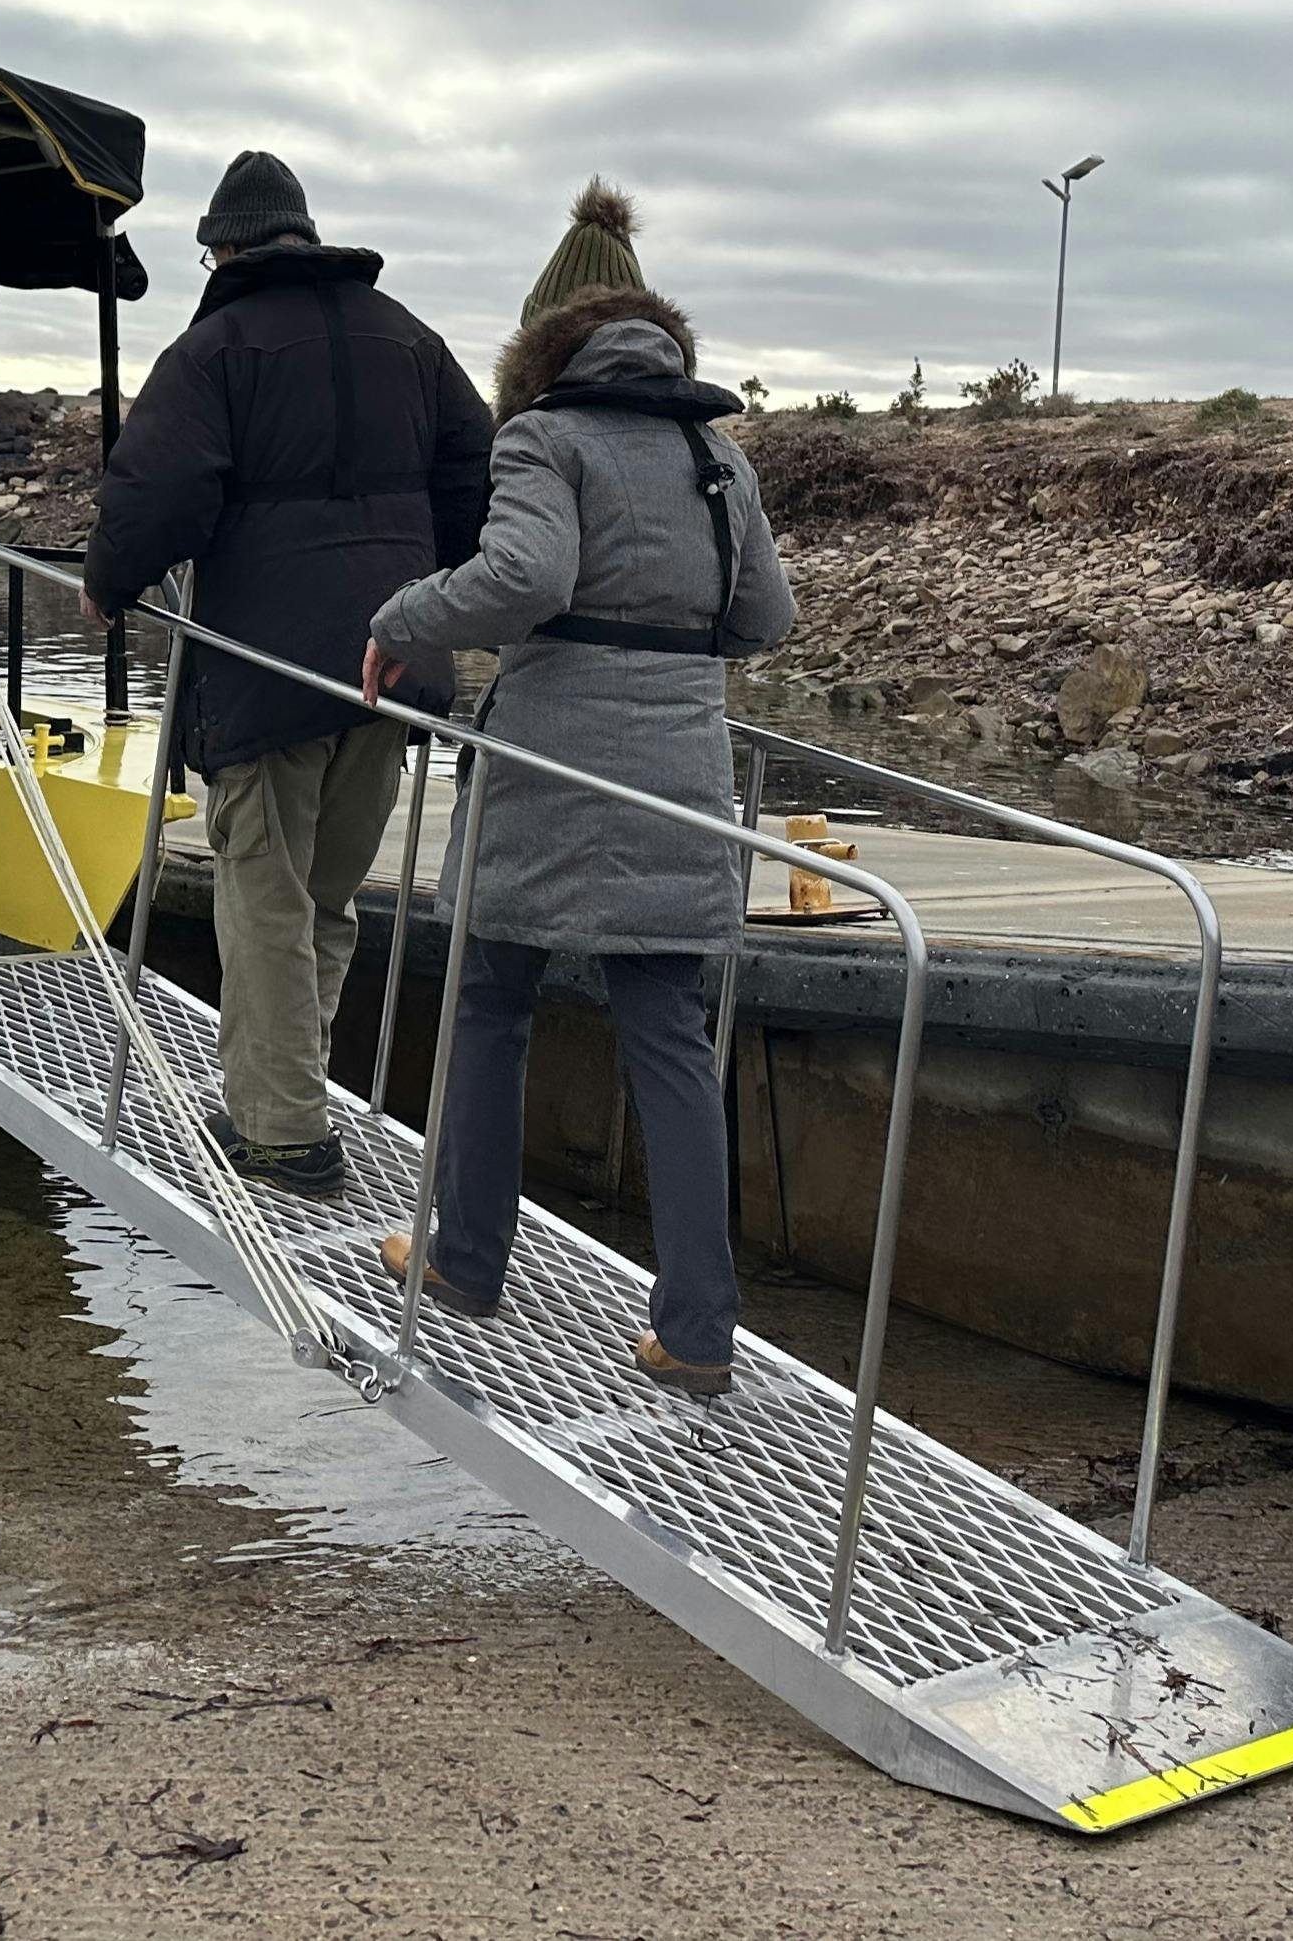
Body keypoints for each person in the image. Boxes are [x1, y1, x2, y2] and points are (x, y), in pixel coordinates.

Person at [362, 257, 794, 1397]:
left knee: (493, 997)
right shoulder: (718, 457)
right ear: (669, 360)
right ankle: (698, 1330)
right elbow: (766, 616)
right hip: (677, 765)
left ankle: (466, 1260)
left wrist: (405, 616)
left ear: (545, 365)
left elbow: (525, 571)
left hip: (549, 759)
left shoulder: (542, 440)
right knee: (667, 1031)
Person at [83, 150, 493, 1193]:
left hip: (265, 666)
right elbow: (477, 478)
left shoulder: (214, 348)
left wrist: (109, 582)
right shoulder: (412, 338)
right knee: (327, 895)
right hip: (393, 659)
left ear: (222, 247)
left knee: (263, 893)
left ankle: (279, 1126)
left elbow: (160, 486)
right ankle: (293, 1087)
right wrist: (419, 578)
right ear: (304, 235)